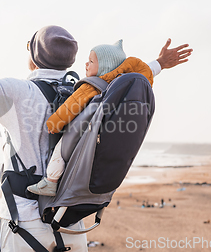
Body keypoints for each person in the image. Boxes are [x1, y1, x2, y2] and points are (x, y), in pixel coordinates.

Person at [0, 5, 192, 252]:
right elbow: (121, 80)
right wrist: (158, 64)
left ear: (33, 57)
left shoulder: (17, 94)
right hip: (73, 224)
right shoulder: (91, 89)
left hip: (24, 224)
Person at [27, 40, 153, 196]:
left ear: (105, 67)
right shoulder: (118, 89)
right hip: (98, 139)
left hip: (79, 131)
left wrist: (54, 124)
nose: (86, 64)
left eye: (91, 61)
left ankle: (50, 182)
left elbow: (70, 107)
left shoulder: (91, 86)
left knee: (59, 150)